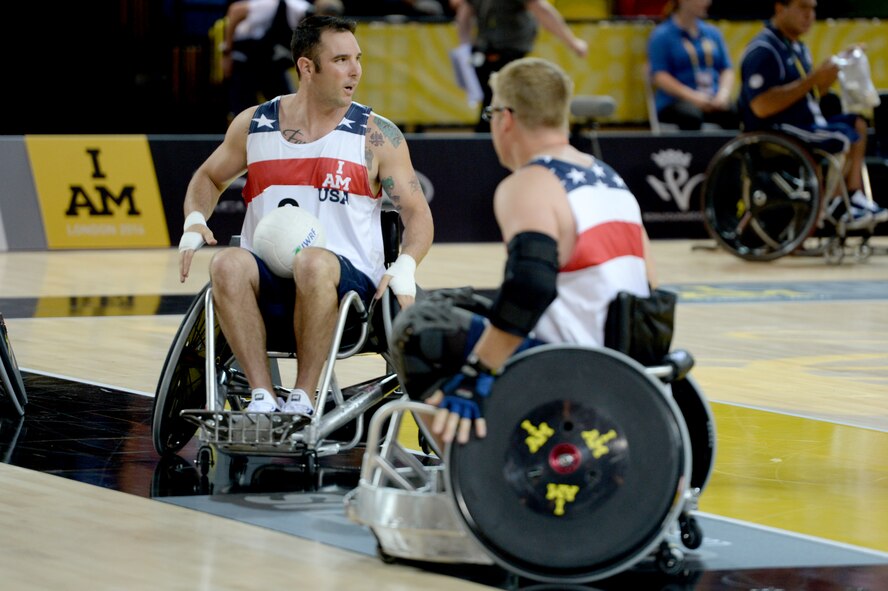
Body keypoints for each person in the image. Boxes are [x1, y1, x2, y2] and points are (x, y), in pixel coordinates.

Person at [179, 15, 434, 417]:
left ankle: (302, 398)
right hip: (269, 290)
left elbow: (417, 214)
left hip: (348, 294)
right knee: (227, 262)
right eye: (341, 60)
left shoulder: (376, 135)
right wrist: (195, 220)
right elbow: (208, 177)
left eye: (358, 58)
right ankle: (262, 397)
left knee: (313, 261)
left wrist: (405, 265)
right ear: (307, 67)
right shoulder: (254, 125)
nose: (356, 71)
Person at [403, 57, 656, 444]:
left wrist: (478, 372)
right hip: (623, 364)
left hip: (568, 365)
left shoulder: (530, 182)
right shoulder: (610, 179)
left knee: (419, 331)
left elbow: (531, 284)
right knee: (471, 308)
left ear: (505, 117)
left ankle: (462, 466)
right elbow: (651, 285)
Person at [737, 0, 888, 224]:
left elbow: (811, 94)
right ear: (780, 9)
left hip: (803, 122)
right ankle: (836, 204)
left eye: (813, 8)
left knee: (857, 124)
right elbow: (761, 106)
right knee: (841, 136)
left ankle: (854, 195)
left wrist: (836, 68)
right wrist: (813, 79)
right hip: (774, 128)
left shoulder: (798, 47)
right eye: (802, 7)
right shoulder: (764, 50)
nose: (809, 15)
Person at [449, 0, 589, 132]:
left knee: (494, 100)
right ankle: (488, 142)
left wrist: (465, 47)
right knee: (502, 102)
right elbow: (541, 10)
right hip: (506, 49)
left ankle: (486, 138)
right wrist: (572, 42)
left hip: (487, 49)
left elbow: (464, 15)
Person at [222, 0, 344, 120]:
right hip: (247, 59)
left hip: (272, 67)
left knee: (290, 107)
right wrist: (227, 52)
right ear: (314, 13)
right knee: (243, 112)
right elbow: (235, 11)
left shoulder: (318, 33)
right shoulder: (282, 6)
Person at [647, 0, 738, 131]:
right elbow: (660, 75)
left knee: (732, 112)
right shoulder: (662, 35)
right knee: (691, 116)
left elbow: (726, 69)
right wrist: (693, 97)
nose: (707, 3)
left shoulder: (712, 33)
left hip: (711, 97)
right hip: (675, 101)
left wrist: (723, 94)